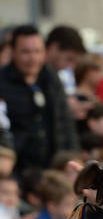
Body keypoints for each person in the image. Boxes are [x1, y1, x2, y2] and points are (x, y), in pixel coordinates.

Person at [0, 25, 80, 175]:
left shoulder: (50, 77)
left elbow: (65, 121)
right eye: (26, 52)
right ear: (13, 52)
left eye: (37, 51)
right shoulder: (2, 82)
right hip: (18, 172)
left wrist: (72, 159)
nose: (33, 58)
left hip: (54, 169)